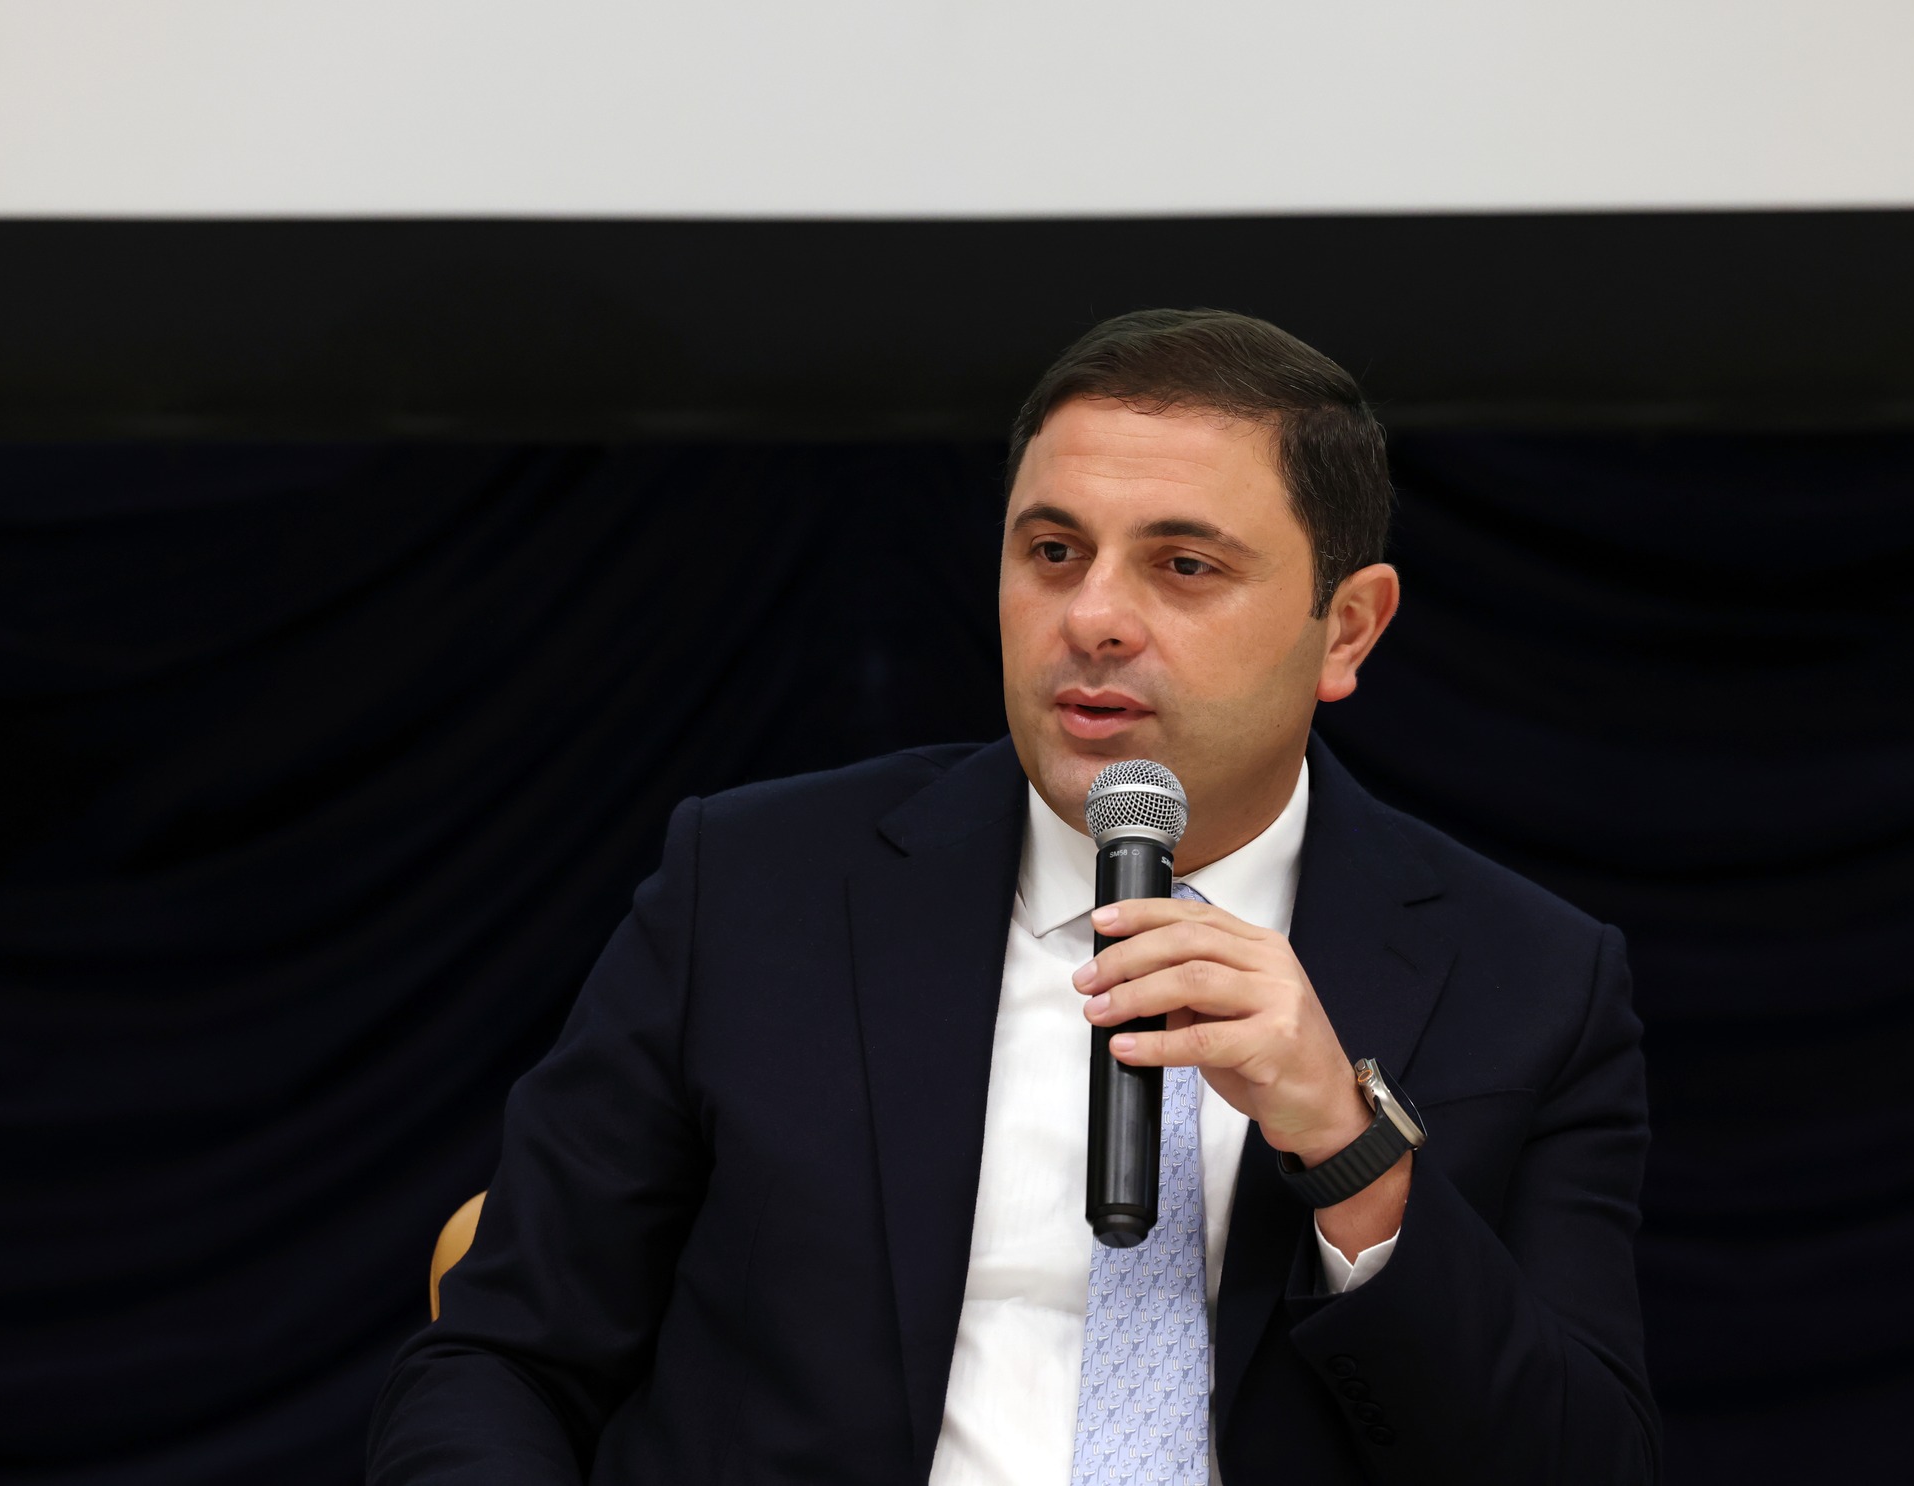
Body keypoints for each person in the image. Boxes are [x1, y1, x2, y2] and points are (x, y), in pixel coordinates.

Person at [368, 309, 1660, 1484]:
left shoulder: (1532, 980)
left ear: (1349, 629)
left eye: (1183, 566)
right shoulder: (756, 888)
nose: (1093, 618)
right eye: (1052, 550)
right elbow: (499, 1360)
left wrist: (1347, 1150)